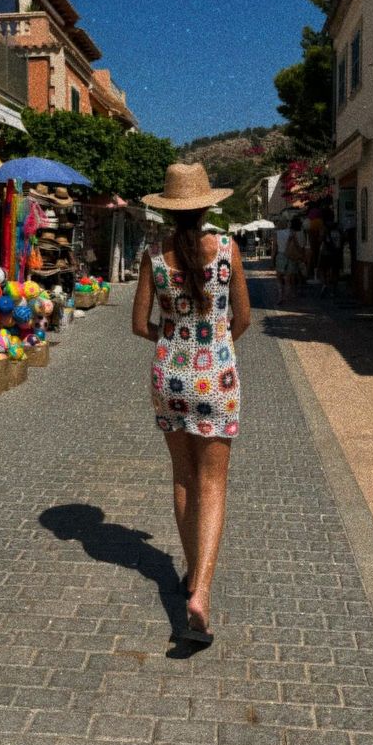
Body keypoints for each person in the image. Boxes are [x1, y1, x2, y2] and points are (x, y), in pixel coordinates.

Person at [132, 163, 251, 645]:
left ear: (166, 208)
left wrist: (175, 340)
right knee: (213, 484)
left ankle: (188, 574)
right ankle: (200, 592)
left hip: (170, 374)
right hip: (216, 375)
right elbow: (242, 318)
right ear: (207, 206)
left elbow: (141, 324)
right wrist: (215, 342)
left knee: (183, 477)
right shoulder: (226, 249)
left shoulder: (153, 257)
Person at [272, 214, 307, 303]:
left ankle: (280, 296)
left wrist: (272, 259)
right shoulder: (291, 232)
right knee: (289, 278)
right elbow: (296, 245)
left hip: (280, 256)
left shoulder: (276, 233)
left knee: (279, 276)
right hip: (290, 256)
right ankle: (288, 295)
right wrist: (301, 255)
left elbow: (274, 248)